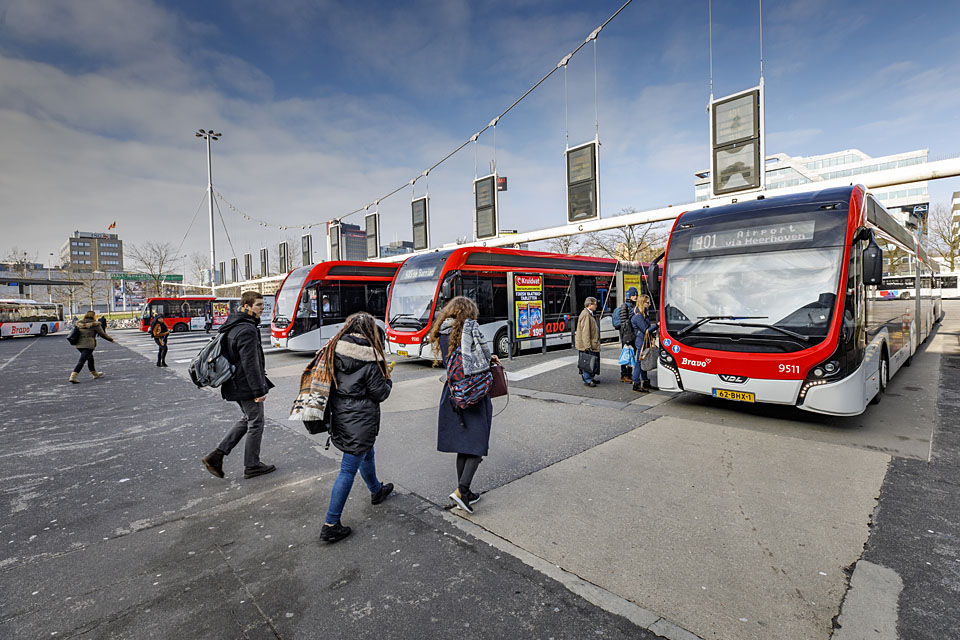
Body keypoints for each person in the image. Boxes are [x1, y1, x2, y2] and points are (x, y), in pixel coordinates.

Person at [318, 312, 395, 544]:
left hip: (340, 417)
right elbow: (381, 393)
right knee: (347, 470)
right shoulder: (370, 360)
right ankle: (330, 524)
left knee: (366, 453)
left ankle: (376, 490)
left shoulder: (333, 351)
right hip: (360, 422)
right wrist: (388, 379)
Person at [428, 296, 498, 514]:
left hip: (452, 392)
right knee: (477, 444)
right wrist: (491, 360)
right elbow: (476, 364)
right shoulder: (470, 330)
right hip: (472, 393)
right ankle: (461, 491)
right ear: (469, 313)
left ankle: (465, 493)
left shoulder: (444, 332)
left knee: (464, 444)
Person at [201, 291, 276, 480]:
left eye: (262, 304)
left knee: (248, 418)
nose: (262, 308)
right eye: (258, 305)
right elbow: (250, 363)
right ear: (246, 306)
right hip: (245, 384)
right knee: (256, 422)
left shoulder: (233, 324)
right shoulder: (247, 329)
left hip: (234, 382)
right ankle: (252, 465)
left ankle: (216, 456)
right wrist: (259, 390)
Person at [69, 310, 114, 383]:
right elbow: (102, 334)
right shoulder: (95, 324)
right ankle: (73, 377)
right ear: (93, 316)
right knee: (82, 360)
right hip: (88, 345)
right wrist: (111, 339)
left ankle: (95, 374)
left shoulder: (79, 323)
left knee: (90, 358)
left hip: (79, 345)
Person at [631, 295, 659, 392]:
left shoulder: (643, 314)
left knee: (643, 361)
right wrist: (657, 325)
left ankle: (645, 381)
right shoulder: (638, 316)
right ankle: (636, 383)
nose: (650, 304)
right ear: (642, 303)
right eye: (648, 302)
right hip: (641, 342)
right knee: (639, 362)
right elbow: (645, 330)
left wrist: (653, 337)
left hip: (644, 341)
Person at [575, 297, 601, 387]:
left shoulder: (588, 314)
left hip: (590, 343)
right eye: (595, 304)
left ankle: (590, 377)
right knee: (588, 360)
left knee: (591, 361)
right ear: (590, 305)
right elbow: (585, 332)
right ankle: (588, 379)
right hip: (587, 344)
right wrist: (587, 346)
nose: (596, 306)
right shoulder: (586, 315)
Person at [617, 287, 639, 382]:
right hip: (627, 334)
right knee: (626, 354)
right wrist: (626, 336)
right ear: (629, 296)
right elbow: (624, 323)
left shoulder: (635, 306)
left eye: (636, 295)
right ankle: (624, 374)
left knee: (631, 355)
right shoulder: (625, 306)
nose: (635, 297)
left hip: (633, 334)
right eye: (633, 295)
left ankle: (629, 374)